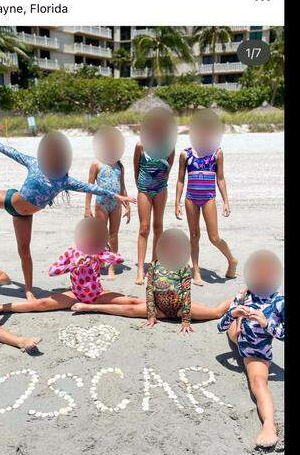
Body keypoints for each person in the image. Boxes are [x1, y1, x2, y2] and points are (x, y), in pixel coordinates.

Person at [0, 125, 133, 302]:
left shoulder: (64, 181)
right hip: (9, 200)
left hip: (23, 215)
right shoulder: (35, 164)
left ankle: (29, 290)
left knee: (24, 251)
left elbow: (92, 187)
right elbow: (13, 152)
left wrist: (117, 196)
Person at [70, 229, 232, 331]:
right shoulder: (155, 265)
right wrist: (152, 314)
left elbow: (186, 293)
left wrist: (186, 321)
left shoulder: (183, 267)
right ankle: (89, 306)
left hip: (180, 308)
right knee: (131, 307)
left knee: (216, 313)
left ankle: (240, 298)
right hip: (158, 308)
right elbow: (149, 290)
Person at [0, 218, 141, 314]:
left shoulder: (98, 252)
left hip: (97, 294)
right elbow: (52, 271)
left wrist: (99, 255)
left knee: (130, 302)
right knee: (39, 304)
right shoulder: (72, 251)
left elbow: (119, 259)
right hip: (75, 295)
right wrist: (72, 265)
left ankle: (152, 304)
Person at [217, 250, 285, 449]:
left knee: (257, 382)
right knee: (232, 322)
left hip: (256, 352)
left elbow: (283, 334)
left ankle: (269, 426)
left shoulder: (279, 303)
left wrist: (266, 324)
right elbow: (220, 326)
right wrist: (234, 313)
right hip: (238, 337)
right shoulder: (245, 295)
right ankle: (231, 313)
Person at [175, 108, 238, 285]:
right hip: (190, 198)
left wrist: (226, 201)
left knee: (214, 237)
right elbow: (180, 180)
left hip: (209, 197)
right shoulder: (185, 154)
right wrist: (176, 203)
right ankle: (196, 271)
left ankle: (231, 260)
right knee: (194, 235)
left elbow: (221, 178)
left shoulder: (216, 152)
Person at [132, 107, 176, 285]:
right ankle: (141, 269)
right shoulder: (140, 145)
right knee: (144, 228)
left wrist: (159, 184)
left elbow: (168, 169)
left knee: (159, 227)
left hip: (161, 189)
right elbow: (136, 168)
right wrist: (141, 187)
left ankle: (154, 265)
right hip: (144, 189)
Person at [83, 126, 130, 280]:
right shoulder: (96, 164)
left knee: (114, 235)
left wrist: (127, 206)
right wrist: (87, 207)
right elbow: (89, 187)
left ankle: (111, 266)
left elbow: (122, 187)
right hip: (101, 203)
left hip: (115, 204)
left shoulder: (119, 165)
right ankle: (97, 264)